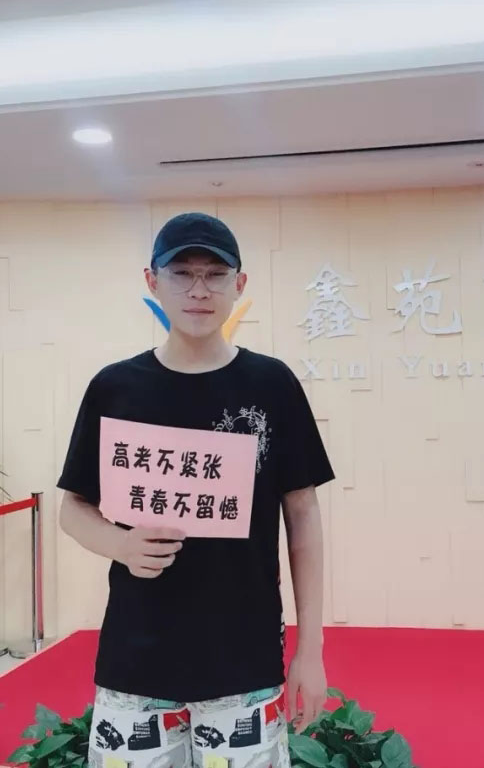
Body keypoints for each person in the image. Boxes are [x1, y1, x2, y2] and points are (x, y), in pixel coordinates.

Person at [57, 212, 335, 768]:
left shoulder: (272, 385)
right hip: (136, 661)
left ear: (240, 284)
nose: (199, 290)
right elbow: (73, 509)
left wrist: (311, 648)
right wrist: (121, 545)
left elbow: (302, 514)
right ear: (152, 281)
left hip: (244, 661)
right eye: (181, 273)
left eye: (215, 273)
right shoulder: (115, 388)